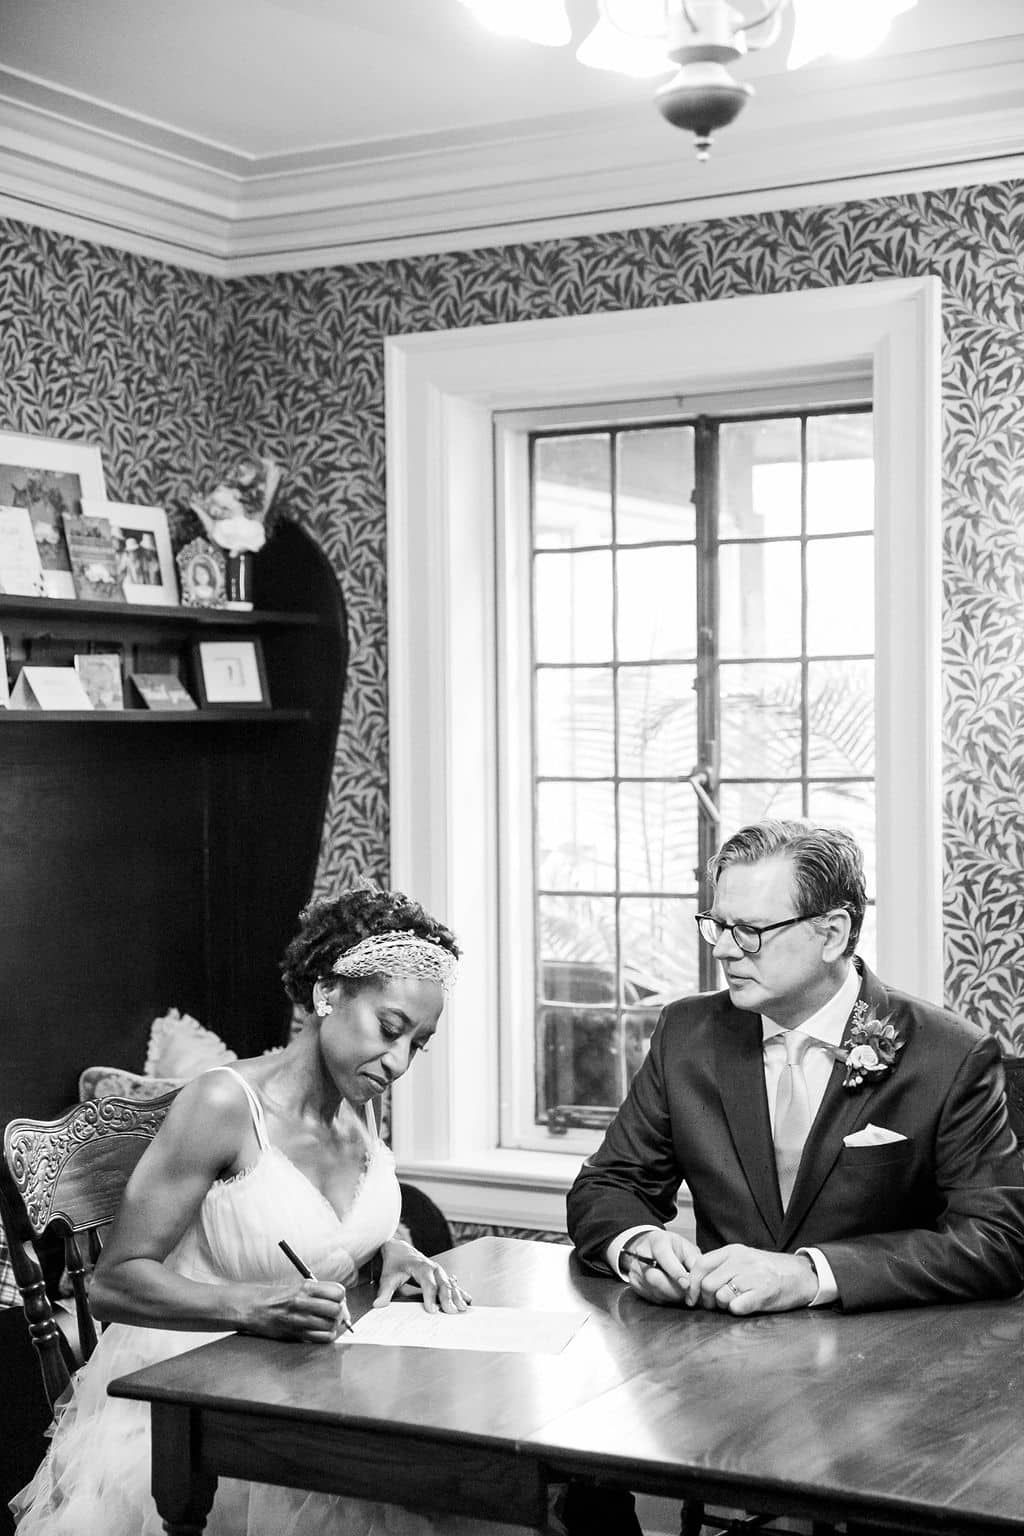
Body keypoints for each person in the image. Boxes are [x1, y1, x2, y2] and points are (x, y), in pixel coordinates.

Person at [564, 820, 1024, 1534]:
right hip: (720, 1388)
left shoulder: (949, 1057)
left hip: (894, 1398)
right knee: (573, 1480)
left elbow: (997, 1240)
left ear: (834, 932)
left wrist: (809, 1274)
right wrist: (635, 1245)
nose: (721, 949)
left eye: (749, 930)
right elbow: (609, 1184)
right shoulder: (687, 1034)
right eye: (716, 924)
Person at [11, 884, 509, 1536]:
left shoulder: (356, 1098)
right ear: (328, 993)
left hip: (312, 1390)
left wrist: (392, 1246)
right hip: (193, 1413)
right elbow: (113, 1283)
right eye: (390, 1029)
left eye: (418, 1044)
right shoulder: (223, 1105)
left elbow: (327, 1220)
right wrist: (256, 1306)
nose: (398, 1061)